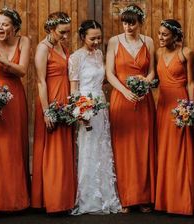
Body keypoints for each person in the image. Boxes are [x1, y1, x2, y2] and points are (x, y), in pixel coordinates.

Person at [106, 4, 156, 213]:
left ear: (140, 22)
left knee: (143, 146)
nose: (128, 26)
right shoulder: (114, 42)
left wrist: (146, 81)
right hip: (121, 99)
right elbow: (109, 73)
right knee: (124, 148)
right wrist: (125, 91)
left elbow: (152, 71)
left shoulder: (149, 42)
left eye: (132, 22)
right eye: (125, 22)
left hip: (144, 101)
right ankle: (126, 197)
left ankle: (144, 197)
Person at [69, 20, 121, 215]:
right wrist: (80, 111)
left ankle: (106, 196)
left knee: (102, 147)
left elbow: (105, 77)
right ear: (83, 37)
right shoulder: (75, 58)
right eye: (93, 38)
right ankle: (89, 198)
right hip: (86, 107)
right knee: (88, 149)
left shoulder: (99, 54)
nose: (97, 41)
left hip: (100, 104)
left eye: (99, 37)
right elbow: (73, 90)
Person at [0, 7, 30, 211]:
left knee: (16, 147)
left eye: (5, 24)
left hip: (16, 97)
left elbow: (23, 71)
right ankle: (0, 201)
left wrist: (3, 60)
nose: (0, 27)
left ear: (15, 27)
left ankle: (19, 201)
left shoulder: (24, 41)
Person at [31, 11, 76, 213]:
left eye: (67, 32)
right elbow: (41, 82)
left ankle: (64, 198)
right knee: (53, 152)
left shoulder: (61, 46)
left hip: (64, 100)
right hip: (51, 101)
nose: (65, 36)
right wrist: (47, 111)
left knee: (64, 150)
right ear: (50, 29)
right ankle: (52, 200)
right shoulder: (42, 49)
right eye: (61, 32)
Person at [155, 19, 194, 215]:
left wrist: (191, 107)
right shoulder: (158, 53)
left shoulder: (186, 53)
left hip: (180, 105)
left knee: (180, 151)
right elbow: (155, 80)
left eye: (164, 34)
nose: (160, 37)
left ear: (175, 36)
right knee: (165, 150)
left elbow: (191, 83)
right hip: (162, 106)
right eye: (159, 33)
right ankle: (164, 200)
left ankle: (182, 202)